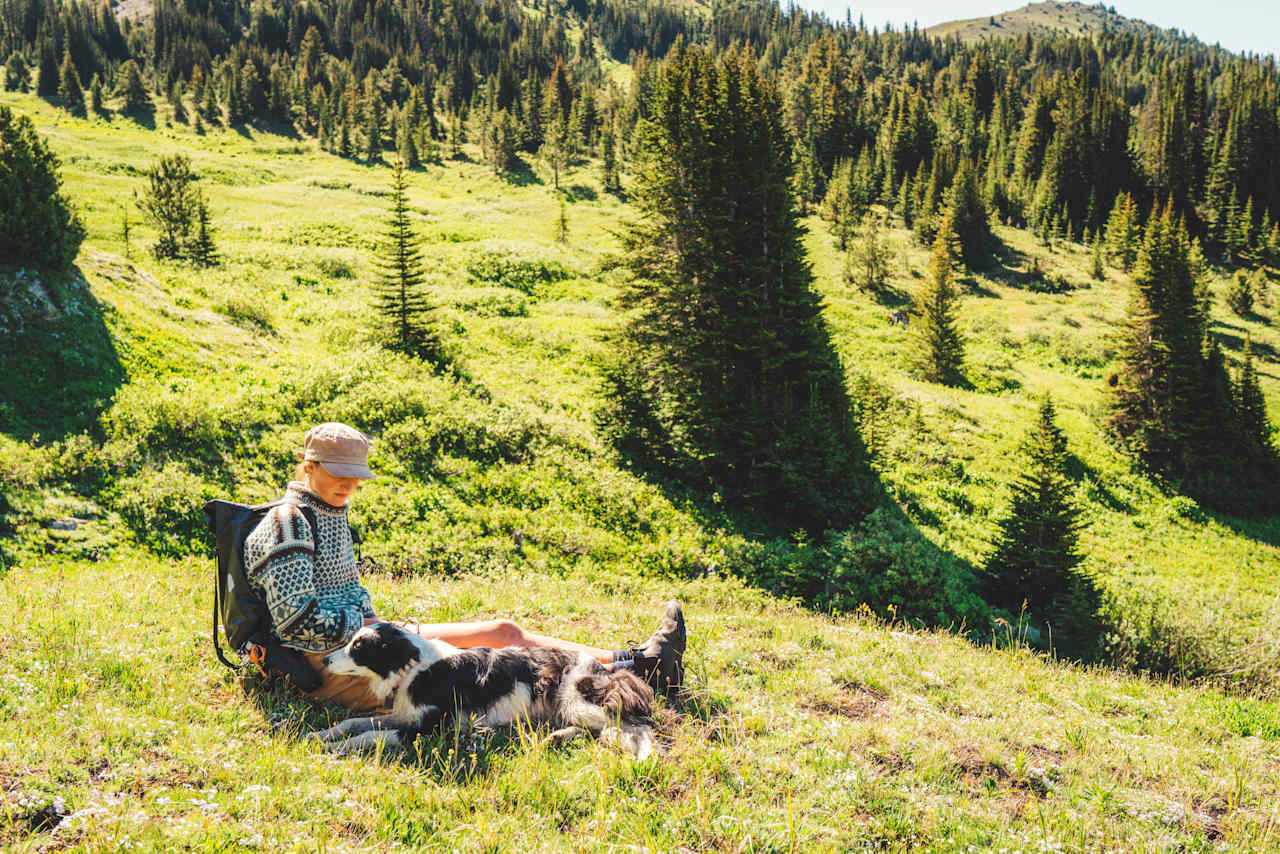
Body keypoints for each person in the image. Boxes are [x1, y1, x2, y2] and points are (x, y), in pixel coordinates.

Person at [243, 422, 686, 712]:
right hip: (331, 663)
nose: (351, 483)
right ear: (309, 465)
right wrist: (370, 631)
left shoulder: (329, 513)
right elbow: (296, 623)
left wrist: (376, 623)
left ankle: (633, 662)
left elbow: (351, 590)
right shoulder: (289, 524)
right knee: (488, 670)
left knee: (503, 633)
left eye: (357, 474)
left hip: (369, 639)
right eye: (340, 472)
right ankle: (622, 679)